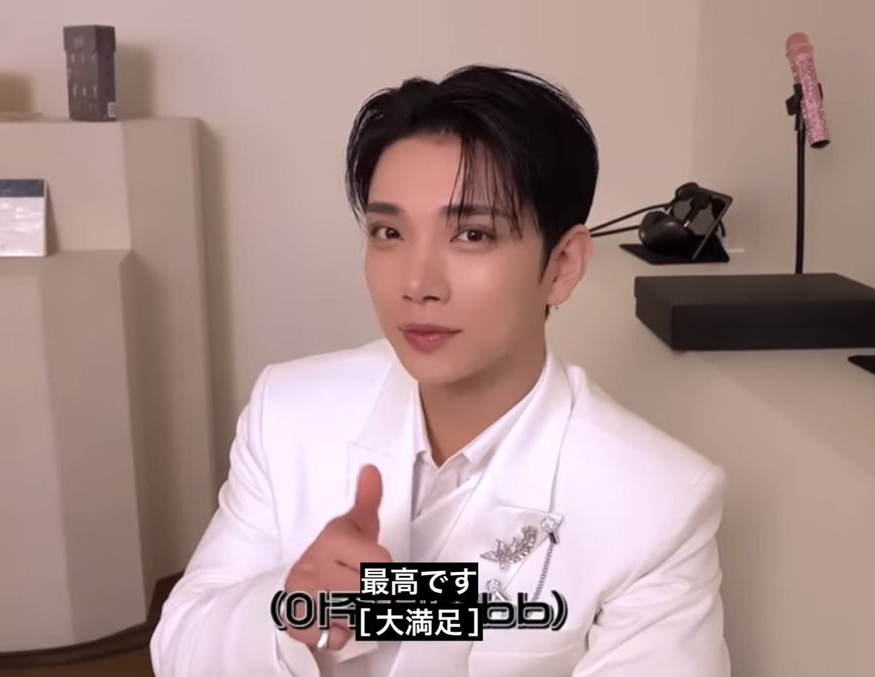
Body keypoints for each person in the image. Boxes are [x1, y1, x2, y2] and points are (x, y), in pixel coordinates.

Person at [150, 64, 730, 676]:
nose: (417, 283)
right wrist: (296, 611)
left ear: (562, 266)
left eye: (472, 235)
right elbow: (180, 645)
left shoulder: (656, 502)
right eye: (388, 231)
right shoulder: (289, 413)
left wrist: (398, 602)